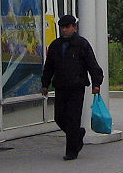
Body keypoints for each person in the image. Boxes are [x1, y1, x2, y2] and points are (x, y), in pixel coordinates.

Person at [40, 14, 103, 160]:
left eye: (67, 27)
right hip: (61, 86)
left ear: (74, 27)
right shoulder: (55, 45)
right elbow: (49, 67)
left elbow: (92, 65)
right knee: (59, 117)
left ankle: (71, 152)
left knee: (73, 118)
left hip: (76, 86)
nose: (64, 30)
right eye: (62, 27)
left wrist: (96, 83)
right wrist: (45, 84)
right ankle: (77, 135)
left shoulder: (82, 44)